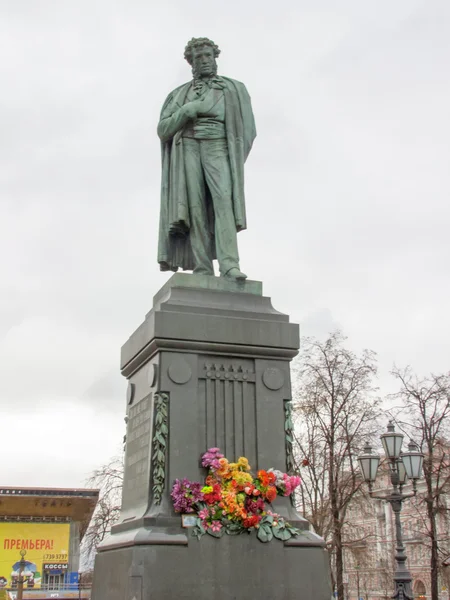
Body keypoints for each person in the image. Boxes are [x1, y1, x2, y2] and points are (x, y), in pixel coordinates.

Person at [157, 37, 256, 281]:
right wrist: (185, 112)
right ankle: (202, 268)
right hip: (188, 145)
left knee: (224, 203)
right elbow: (163, 130)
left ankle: (230, 265)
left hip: (219, 146)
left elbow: (248, 131)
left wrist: (234, 160)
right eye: (198, 57)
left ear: (215, 58)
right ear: (191, 62)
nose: (204, 60)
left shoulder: (234, 89)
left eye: (208, 56)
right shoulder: (179, 95)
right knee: (195, 208)